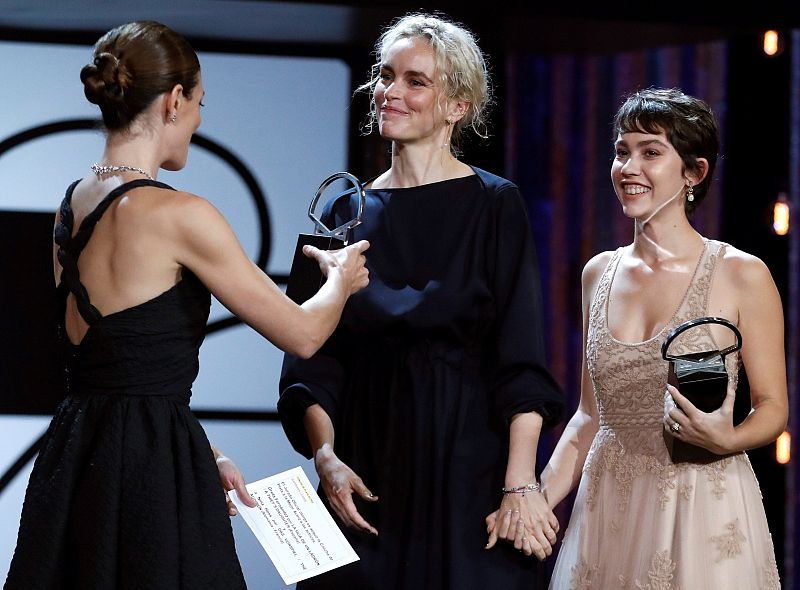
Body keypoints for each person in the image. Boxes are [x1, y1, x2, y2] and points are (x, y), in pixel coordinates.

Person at [4, 21, 369, 590]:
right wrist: (341, 279)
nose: (199, 119)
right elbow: (302, 334)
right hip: (148, 474)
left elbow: (119, 369)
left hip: (75, 460)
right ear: (174, 102)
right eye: (200, 102)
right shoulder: (181, 215)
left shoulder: (69, 207)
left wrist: (207, 449)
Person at [278, 13, 564, 590]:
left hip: (468, 461)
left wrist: (520, 482)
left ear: (458, 106)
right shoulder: (342, 210)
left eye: (416, 81)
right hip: (362, 464)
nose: (391, 92)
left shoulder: (494, 204)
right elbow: (311, 361)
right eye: (386, 76)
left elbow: (521, 358)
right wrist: (325, 456)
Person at [542, 88, 784, 589]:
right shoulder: (598, 273)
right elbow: (590, 415)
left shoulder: (741, 273)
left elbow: (773, 406)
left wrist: (730, 438)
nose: (628, 166)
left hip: (701, 504)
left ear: (694, 173)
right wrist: (534, 499)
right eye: (621, 151)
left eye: (650, 152)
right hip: (610, 507)